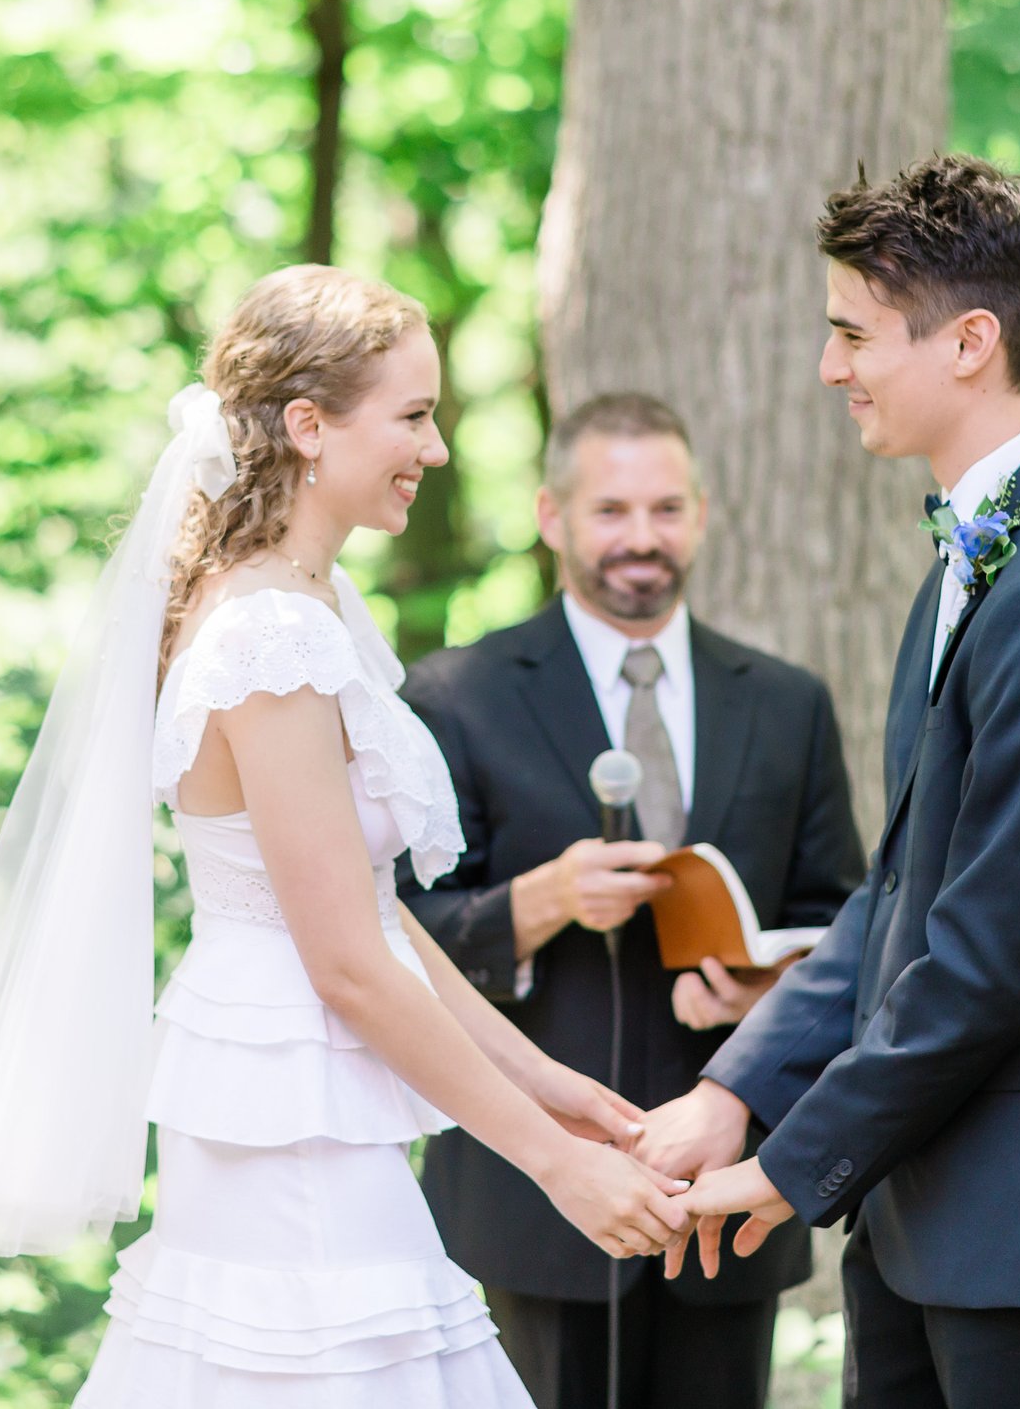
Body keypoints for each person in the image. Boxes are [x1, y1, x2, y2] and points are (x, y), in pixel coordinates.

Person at [0, 265, 688, 1404]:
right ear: (308, 425)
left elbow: (373, 909)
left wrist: (548, 1082)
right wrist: (553, 1166)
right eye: (411, 415)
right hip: (284, 1113)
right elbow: (348, 964)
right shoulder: (267, 635)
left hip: (301, 1092)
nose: (436, 448)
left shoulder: (307, 603)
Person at [642, 157, 1020, 1409]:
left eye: (853, 333)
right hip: (933, 1198)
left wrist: (787, 1165)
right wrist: (733, 1090)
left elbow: (986, 954)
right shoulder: (983, 549)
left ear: (970, 341)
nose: (830, 367)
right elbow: (903, 887)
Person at [401, 393, 863, 1409]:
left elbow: (846, 921)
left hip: (724, 1196)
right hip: (532, 1199)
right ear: (552, 516)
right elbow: (389, 942)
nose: (641, 538)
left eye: (664, 508)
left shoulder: (786, 702)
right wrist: (534, 903)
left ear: (700, 513)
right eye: (610, 511)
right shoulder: (454, 694)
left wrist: (762, 993)